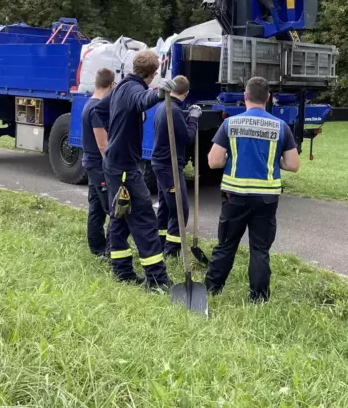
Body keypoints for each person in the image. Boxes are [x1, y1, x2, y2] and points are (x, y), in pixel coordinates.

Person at [204, 76, 300, 303]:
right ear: (268, 98)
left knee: (226, 245)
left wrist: (229, 156)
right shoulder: (281, 126)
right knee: (259, 249)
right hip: (266, 198)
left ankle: (211, 289)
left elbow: (213, 162)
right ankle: (258, 298)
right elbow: (293, 165)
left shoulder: (231, 124)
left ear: (245, 97)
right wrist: (276, 161)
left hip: (234, 195)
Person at [94, 50, 177, 290]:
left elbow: (100, 110)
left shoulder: (120, 87)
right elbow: (143, 100)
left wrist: (118, 130)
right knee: (144, 220)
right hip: (125, 169)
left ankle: (121, 271)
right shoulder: (133, 90)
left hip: (113, 164)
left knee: (120, 216)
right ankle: (157, 280)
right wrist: (160, 93)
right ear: (152, 74)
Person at [151, 75, 201, 258]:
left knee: (165, 206)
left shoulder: (162, 106)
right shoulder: (174, 111)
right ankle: (171, 251)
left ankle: (160, 243)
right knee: (180, 210)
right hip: (169, 166)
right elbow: (187, 138)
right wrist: (194, 118)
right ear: (186, 93)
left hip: (160, 164)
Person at [80, 67, 115, 257]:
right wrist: (111, 165)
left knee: (96, 208)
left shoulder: (89, 104)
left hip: (91, 163)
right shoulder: (97, 109)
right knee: (113, 208)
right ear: (111, 85)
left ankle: (97, 248)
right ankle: (111, 250)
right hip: (98, 165)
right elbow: (103, 144)